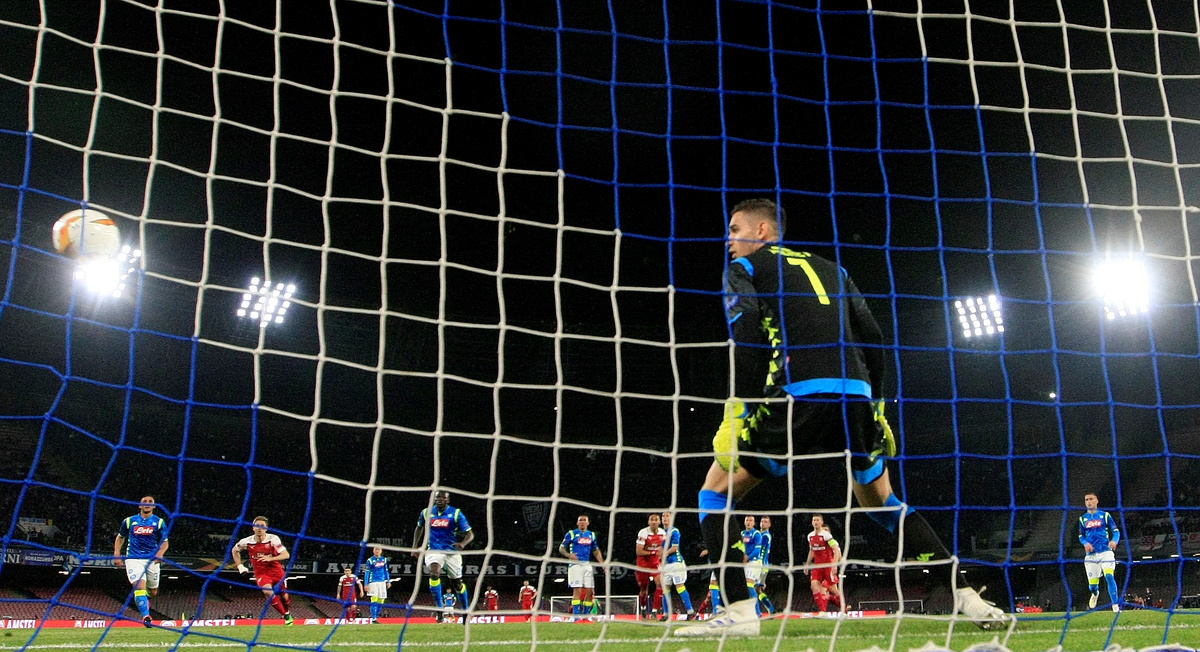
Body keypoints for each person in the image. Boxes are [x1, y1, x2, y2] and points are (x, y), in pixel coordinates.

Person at [676, 198, 1007, 637]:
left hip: (799, 393)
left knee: (714, 493)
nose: (728, 239)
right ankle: (966, 595)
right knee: (882, 503)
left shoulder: (745, 268)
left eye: (735, 229)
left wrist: (744, 407)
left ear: (762, 231)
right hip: (857, 395)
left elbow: (749, 333)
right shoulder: (835, 269)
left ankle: (739, 613)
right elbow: (873, 336)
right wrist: (878, 406)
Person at [413, 490, 474, 623]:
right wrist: (415, 546)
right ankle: (439, 609)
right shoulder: (426, 512)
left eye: (442, 498)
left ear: (448, 500)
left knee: (457, 584)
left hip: (452, 552)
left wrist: (463, 543)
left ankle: (465, 610)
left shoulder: (456, 513)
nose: (439, 500)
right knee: (434, 573)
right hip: (434, 550)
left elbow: (470, 534)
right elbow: (419, 527)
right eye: (437, 498)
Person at [112, 495, 169, 628]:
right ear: (140, 505)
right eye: (144, 502)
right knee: (139, 586)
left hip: (152, 560)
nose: (147, 504)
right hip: (134, 558)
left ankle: (145, 598)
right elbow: (120, 537)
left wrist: (160, 553)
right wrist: (117, 553)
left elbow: (165, 542)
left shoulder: (159, 522)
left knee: (153, 592)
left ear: (154, 506)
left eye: (150, 502)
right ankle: (146, 616)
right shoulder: (129, 521)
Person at [231, 515, 294, 625]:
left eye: (262, 526)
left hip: (276, 571)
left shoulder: (273, 539)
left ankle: (287, 611)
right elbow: (234, 550)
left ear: (266, 528)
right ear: (253, 528)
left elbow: (286, 555)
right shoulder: (246, 542)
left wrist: (270, 558)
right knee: (267, 591)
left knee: (284, 595)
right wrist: (240, 566)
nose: (259, 528)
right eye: (257, 525)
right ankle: (286, 615)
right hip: (261, 573)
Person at [1078, 492, 1121, 612]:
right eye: (1086, 500)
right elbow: (1081, 536)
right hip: (1091, 556)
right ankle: (1095, 593)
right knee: (1092, 587)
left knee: (1109, 576)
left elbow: (1116, 531)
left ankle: (1115, 605)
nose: (1089, 501)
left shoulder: (1105, 515)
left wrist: (1114, 540)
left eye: (1091, 499)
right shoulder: (1082, 519)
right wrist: (1085, 543)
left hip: (1106, 552)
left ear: (1097, 501)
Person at [559, 514, 605, 620]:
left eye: (584, 520)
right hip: (575, 565)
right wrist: (569, 555)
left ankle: (586, 616)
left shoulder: (591, 535)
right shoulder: (571, 534)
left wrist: (602, 563)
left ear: (588, 523)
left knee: (590, 591)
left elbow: (596, 550)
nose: (582, 522)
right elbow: (561, 548)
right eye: (580, 520)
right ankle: (576, 617)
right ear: (577, 523)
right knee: (577, 590)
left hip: (587, 564)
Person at [659, 512, 696, 620]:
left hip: (676, 563)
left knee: (679, 586)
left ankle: (690, 611)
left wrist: (664, 554)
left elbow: (675, 548)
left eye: (667, 516)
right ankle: (666, 614)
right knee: (665, 588)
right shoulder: (661, 533)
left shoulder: (674, 531)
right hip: (666, 564)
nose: (664, 518)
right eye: (663, 516)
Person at [805, 514, 843, 612]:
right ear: (812, 522)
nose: (816, 522)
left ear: (821, 522)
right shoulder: (810, 536)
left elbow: (836, 550)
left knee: (833, 590)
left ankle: (844, 608)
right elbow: (812, 550)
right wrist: (807, 564)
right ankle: (823, 611)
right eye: (814, 520)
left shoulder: (827, 536)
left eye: (818, 520)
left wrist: (834, 565)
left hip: (828, 566)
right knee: (814, 586)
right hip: (817, 566)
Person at [634, 513, 666, 620]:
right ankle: (643, 609)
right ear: (648, 522)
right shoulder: (643, 533)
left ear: (659, 522)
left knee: (660, 584)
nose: (654, 522)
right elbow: (639, 551)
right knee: (644, 589)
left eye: (656, 520)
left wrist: (661, 558)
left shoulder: (663, 533)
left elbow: (663, 548)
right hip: (643, 563)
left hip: (655, 562)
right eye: (651, 520)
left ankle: (654, 612)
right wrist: (654, 552)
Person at [737, 516, 764, 615]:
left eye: (751, 520)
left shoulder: (756, 534)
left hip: (754, 562)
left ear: (754, 523)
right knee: (744, 587)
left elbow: (757, 550)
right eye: (747, 520)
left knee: (749, 585)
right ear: (744, 522)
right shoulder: (742, 534)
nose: (748, 522)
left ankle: (757, 612)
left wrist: (747, 557)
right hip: (745, 562)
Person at [363, 545, 392, 623]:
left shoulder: (384, 560)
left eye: (378, 549)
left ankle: (377, 614)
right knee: (374, 600)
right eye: (376, 549)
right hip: (373, 582)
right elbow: (367, 572)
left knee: (381, 600)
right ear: (373, 551)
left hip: (382, 582)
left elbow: (386, 571)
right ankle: (374, 618)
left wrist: (388, 581)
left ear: (381, 551)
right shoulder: (370, 560)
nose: (377, 551)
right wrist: (366, 584)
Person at [756, 515, 777, 614]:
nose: (763, 524)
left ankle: (757, 612)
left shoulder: (765, 536)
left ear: (769, 524)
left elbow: (762, 550)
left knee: (752, 587)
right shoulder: (759, 534)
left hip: (761, 565)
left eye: (765, 522)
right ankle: (771, 609)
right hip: (763, 565)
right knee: (758, 589)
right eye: (762, 522)